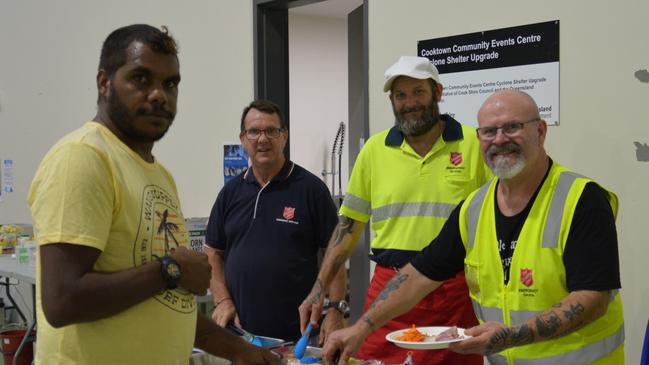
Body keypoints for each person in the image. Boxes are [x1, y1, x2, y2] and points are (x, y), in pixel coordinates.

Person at [27, 24, 283, 365]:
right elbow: (62, 300)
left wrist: (240, 351)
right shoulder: (83, 157)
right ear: (104, 83)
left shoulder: (159, 175)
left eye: (170, 83)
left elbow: (166, 300)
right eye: (141, 79)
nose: (160, 95)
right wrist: (169, 270)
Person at [321, 90, 625, 365]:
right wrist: (361, 327)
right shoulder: (474, 209)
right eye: (489, 131)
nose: (500, 139)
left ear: (540, 132)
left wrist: (513, 335)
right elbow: (418, 275)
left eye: (513, 127)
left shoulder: (582, 200)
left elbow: (591, 299)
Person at [299, 56, 491, 365]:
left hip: (452, 292)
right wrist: (319, 289)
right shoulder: (374, 151)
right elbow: (348, 228)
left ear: (438, 92)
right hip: (389, 292)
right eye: (401, 95)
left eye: (418, 92)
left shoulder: (474, 144)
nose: (409, 103)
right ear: (392, 100)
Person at [204, 99, 346, 343]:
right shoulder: (230, 194)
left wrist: (335, 309)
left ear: (284, 136)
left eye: (272, 130)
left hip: (298, 335)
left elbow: (336, 253)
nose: (263, 139)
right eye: (254, 132)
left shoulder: (311, 190)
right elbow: (212, 252)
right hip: (240, 336)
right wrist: (223, 300)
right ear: (243, 139)